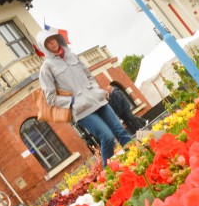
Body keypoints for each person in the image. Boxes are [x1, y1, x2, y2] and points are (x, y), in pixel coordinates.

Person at [37, 31, 131, 166]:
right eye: (47, 42)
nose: (52, 42)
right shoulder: (46, 68)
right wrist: (73, 102)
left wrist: (96, 90)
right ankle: (111, 174)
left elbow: (89, 75)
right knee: (107, 137)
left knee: (120, 130)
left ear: (57, 39)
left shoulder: (72, 55)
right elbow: (50, 98)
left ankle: (138, 157)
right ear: (44, 47)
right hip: (82, 110)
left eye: (53, 39)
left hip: (98, 100)